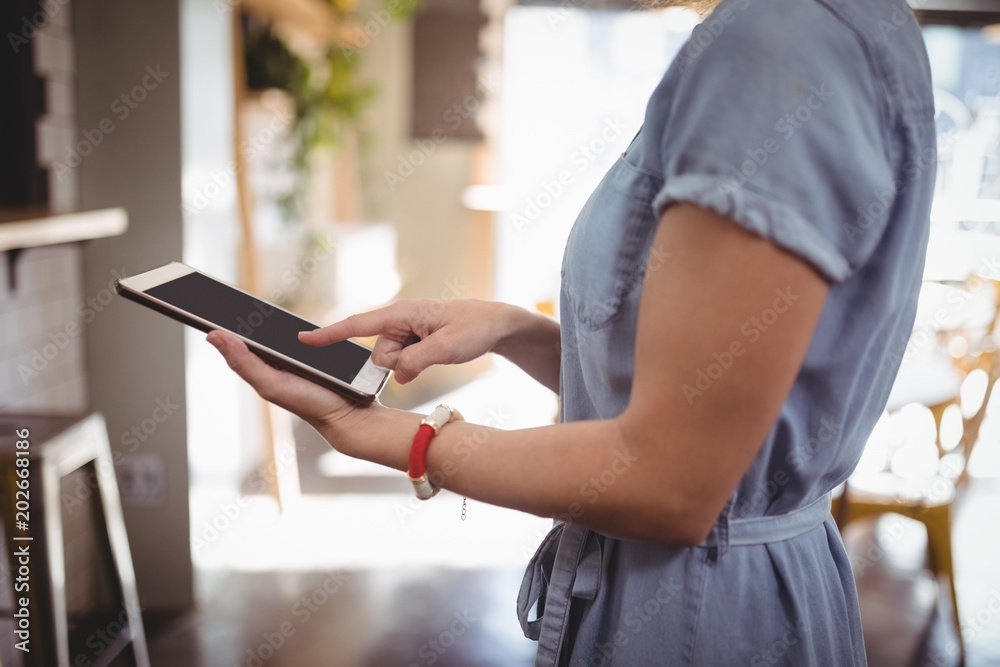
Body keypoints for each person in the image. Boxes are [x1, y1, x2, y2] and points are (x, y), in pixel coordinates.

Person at [208, 0, 936, 663]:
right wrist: (513, 330)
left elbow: (672, 480)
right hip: (737, 587)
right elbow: (715, 399)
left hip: (693, 613)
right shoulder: (843, 24)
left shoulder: (774, 45)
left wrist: (402, 437)